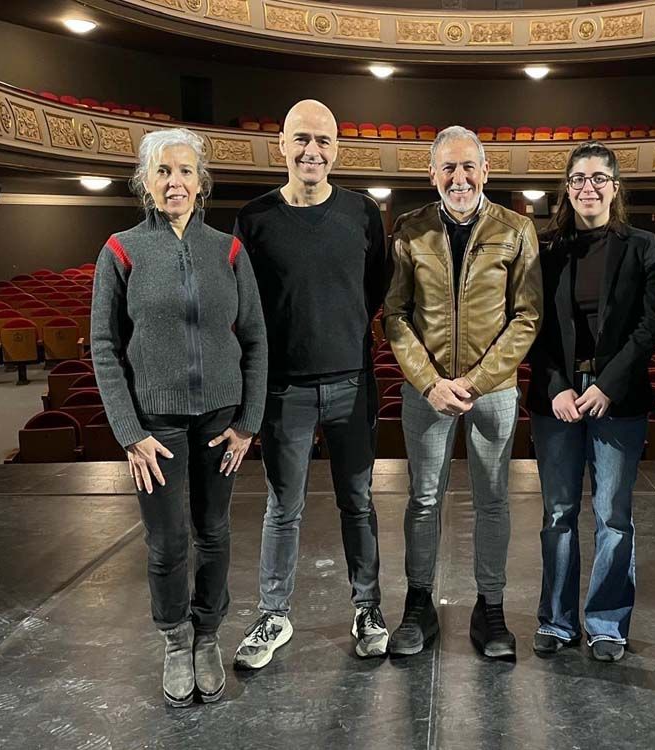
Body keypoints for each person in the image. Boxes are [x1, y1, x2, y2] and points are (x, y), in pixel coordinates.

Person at [91, 127, 267, 707]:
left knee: (213, 533)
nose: (175, 181)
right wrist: (129, 432)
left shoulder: (229, 250)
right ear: (145, 182)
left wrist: (248, 422)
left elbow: (256, 338)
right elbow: (103, 347)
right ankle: (175, 638)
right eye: (163, 171)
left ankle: (209, 635)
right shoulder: (120, 249)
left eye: (185, 171)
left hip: (220, 418)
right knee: (167, 541)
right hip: (155, 426)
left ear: (201, 182)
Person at [232, 99, 391, 668]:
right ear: (281, 144)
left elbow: (374, 291)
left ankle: (367, 606)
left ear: (337, 150)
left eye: (323, 141)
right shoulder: (254, 219)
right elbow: (244, 309)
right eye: (301, 139)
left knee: (358, 501)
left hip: (352, 382)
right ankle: (274, 614)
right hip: (284, 391)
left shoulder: (364, 213)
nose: (312, 151)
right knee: (283, 507)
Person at [384, 126, 542, 660]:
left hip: (491, 391)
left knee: (493, 500)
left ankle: (491, 608)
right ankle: (418, 603)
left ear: (486, 171)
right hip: (425, 391)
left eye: (468, 166)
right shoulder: (409, 230)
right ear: (433, 175)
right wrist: (430, 382)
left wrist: (473, 382)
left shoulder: (516, 229)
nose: (459, 177)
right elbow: (395, 315)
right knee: (423, 500)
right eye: (448, 168)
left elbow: (527, 317)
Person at [527, 141, 655, 662]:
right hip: (556, 401)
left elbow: (649, 325)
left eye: (598, 178)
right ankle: (557, 621)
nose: (588, 187)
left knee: (612, 516)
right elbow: (532, 323)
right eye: (578, 179)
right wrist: (559, 383)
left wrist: (605, 384)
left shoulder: (642, 245)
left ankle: (606, 623)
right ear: (567, 188)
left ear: (615, 186)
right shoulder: (546, 247)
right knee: (558, 513)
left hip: (617, 399)